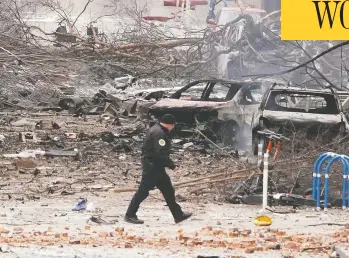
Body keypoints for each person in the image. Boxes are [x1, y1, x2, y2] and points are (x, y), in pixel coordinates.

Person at [125, 114, 192, 224]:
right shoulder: (159, 134)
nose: (173, 128)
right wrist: (172, 165)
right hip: (153, 168)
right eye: (173, 125)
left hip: (157, 168)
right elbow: (160, 153)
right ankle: (130, 214)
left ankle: (178, 215)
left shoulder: (155, 129)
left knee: (169, 191)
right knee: (142, 192)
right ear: (170, 124)